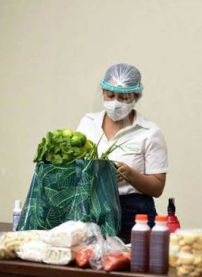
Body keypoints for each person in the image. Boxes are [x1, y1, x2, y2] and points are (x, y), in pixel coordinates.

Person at [77, 63, 169, 242]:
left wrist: (129, 174)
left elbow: (157, 187)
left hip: (133, 213)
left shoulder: (149, 132)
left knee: (134, 264)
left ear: (136, 97)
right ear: (103, 92)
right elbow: (75, 167)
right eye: (110, 95)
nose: (115, 103)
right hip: (91, 207)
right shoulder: (87, 124)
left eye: (124, 97)